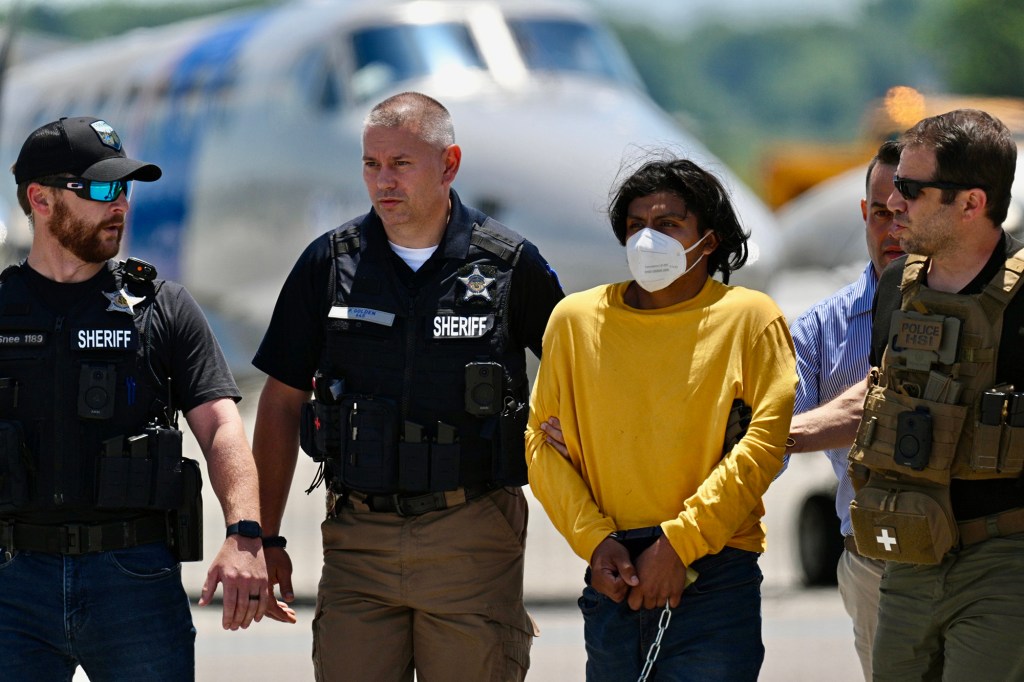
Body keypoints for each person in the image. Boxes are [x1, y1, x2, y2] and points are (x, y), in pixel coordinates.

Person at [250, 91, 564, 680]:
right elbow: (281, 402)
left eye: (401, 164)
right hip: (357, 541)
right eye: (371, 164)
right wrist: (263, 536)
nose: (382, 182)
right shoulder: (329, 264)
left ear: (449, 165)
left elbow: (579, 384)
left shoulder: (510, 266)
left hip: (472, 535)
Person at [0, 116, 284, 681]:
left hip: (132, 578)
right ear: (42, 199)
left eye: (125, 188)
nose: (121, 205)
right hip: (13, 580)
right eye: (102, 189)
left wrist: (246, 534)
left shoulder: (164, 308)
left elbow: (222, 426)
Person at [525, 157, 796, 681]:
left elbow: (763, 445)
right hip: (613, 574)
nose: (647, 239)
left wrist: (679, 545)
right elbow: (540, 444)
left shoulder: (751, 318)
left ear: (709, 241)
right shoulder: (574, 321)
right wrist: (594, 542)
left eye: (668, 224)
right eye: (635, 226)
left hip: (714, 576)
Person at [841, 108, 1024, 680]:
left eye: (912, 190)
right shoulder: (898, 288)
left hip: (1002, 564)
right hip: (908, 558)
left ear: (972, 203)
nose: (894, 203)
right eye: (897, 187)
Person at [785, 139, 903, 680]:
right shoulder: (818, 331)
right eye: (881, 213)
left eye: (907, 212)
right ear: (864, 214)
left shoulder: (999, 312)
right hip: (876, 562)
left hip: (982, 558)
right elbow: (773, 447)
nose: (894, 229)